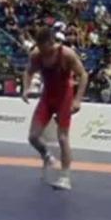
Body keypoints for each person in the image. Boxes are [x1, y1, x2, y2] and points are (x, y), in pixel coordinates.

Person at [21, 27, 90, 190]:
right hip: (47, 97)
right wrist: (26, 88)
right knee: (33, 137)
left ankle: (65, 177)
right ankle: (46, 154)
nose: (41, 51)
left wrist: (77, 100)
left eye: (43, 47)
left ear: (51, 42)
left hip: (64, 98)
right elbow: (28, 72)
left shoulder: (66, 54)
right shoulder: (37, 55)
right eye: (38, 46)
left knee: (63, 138)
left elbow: (83, 75)